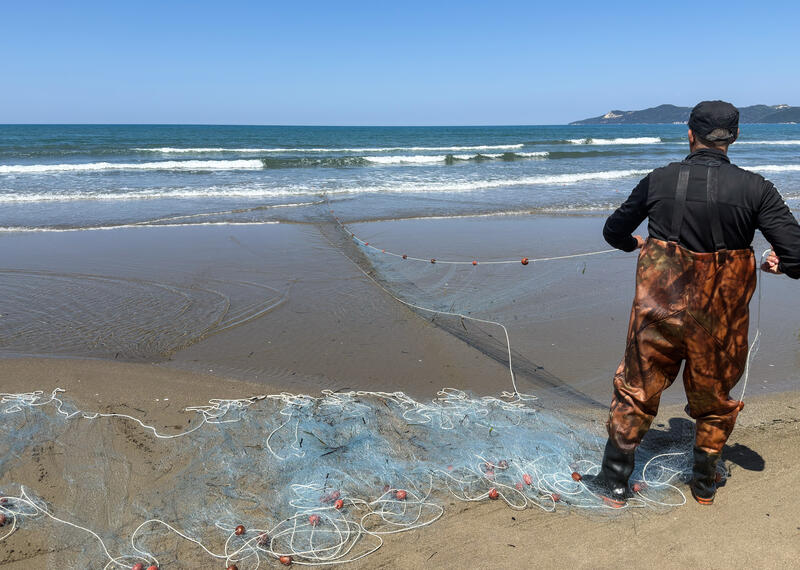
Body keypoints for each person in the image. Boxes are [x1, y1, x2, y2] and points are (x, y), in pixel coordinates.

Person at [586, 100, 800, 506]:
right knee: (714, 398)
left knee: (636, 390)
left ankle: (614, 485)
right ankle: (704, 485)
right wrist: (777, 264)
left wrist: (635, 243)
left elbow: (613, 230)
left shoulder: (658, 180)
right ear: (734, 137)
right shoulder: (757, 188)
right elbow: (797, 255)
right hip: (719, 322)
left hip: (657, 316)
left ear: (689, 134)